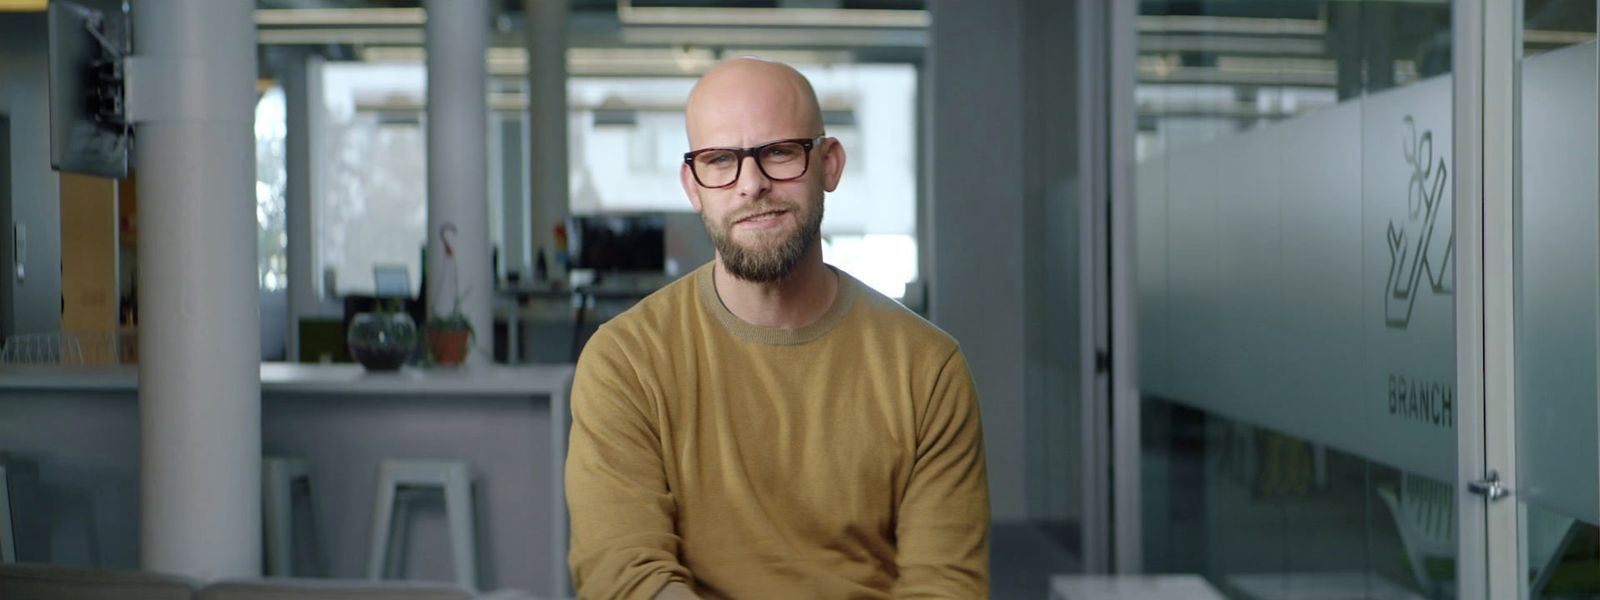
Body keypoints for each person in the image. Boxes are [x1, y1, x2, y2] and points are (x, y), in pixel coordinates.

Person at [565, 57, 990, 600]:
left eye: (779, 152)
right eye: (720, 160)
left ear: (829, 164)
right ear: (693, 186)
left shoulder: (927, 370)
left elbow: (944, 587)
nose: (752, 184)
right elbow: (625, 577)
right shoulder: (625, 361)